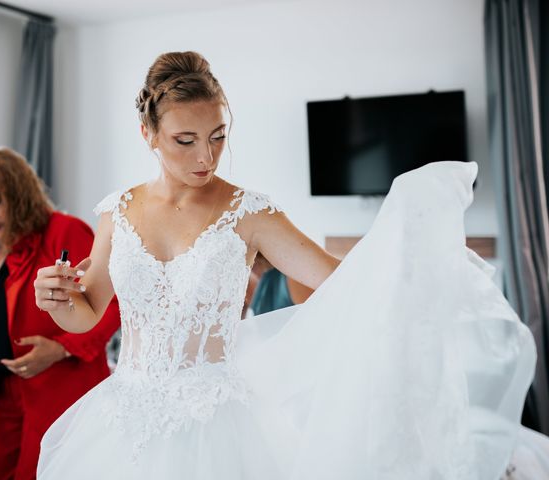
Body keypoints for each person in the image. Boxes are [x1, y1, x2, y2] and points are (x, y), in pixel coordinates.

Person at [34, 52, 536, 479]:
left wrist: (416, 247)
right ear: (148, 133)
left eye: (218, 136)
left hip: (218, 425)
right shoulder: (116, 212)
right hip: (124, 419)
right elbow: (88, 310)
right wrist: (56, 299)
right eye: (185, 140)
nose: (206, 156)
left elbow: (342, 281)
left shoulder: (249, 212)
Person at [0, 147, 120, 480]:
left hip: (59, 392)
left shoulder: (64, 231)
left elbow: (112, 305)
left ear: (18, 193)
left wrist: (61, 347)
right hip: (0, 394)